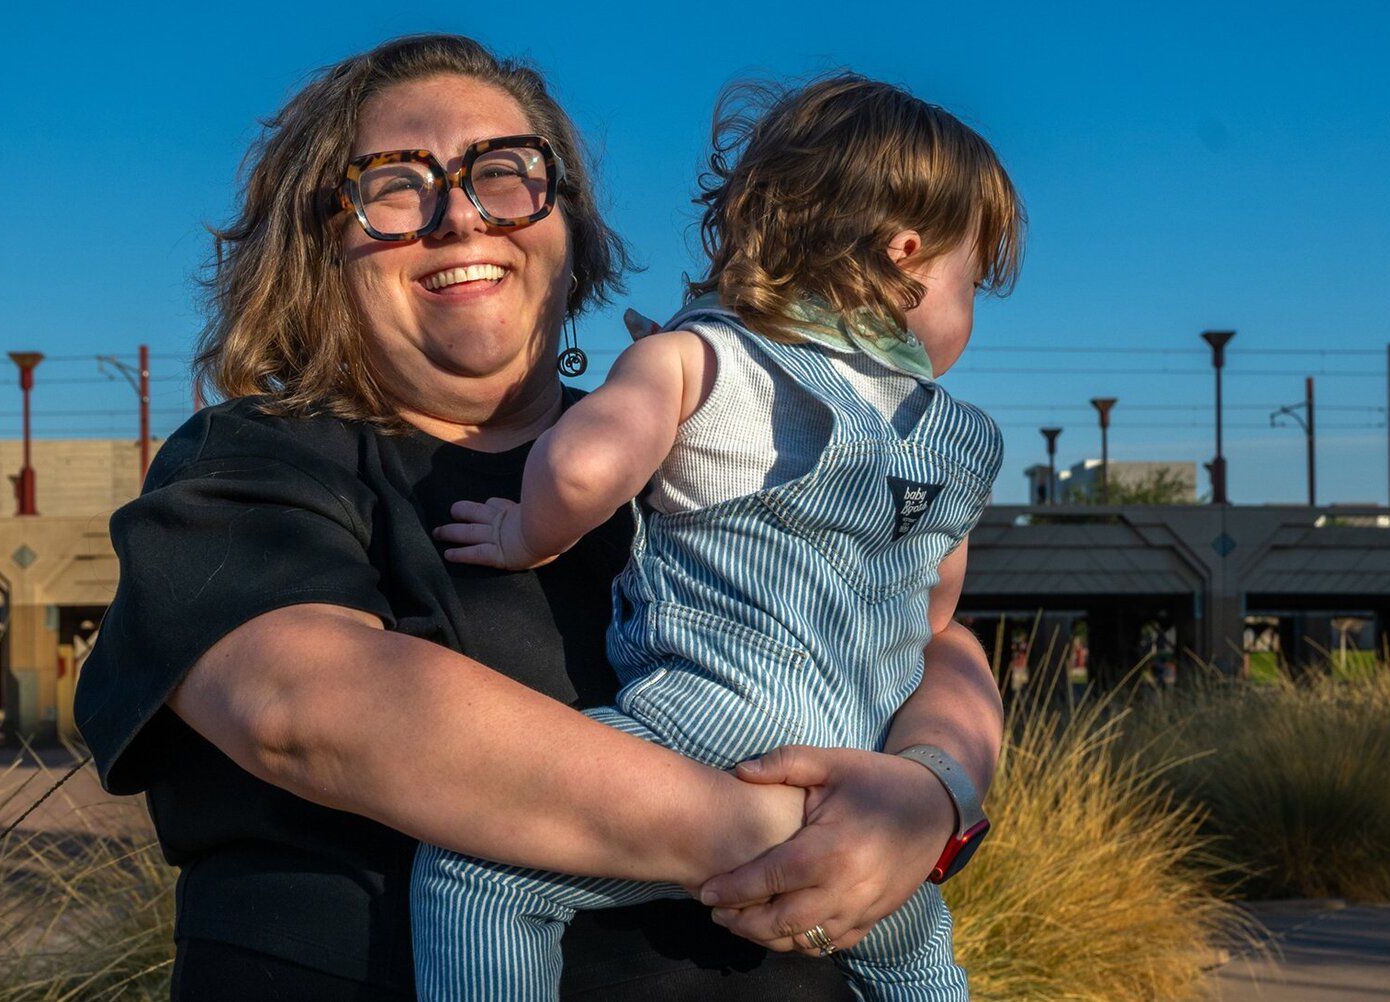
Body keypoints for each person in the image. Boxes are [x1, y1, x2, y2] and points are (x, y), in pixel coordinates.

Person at [73, 34, 1006, 1001]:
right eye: (396, 185)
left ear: (568, 227)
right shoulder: (253, 462)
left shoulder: (676, 437)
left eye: (505, 175)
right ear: (315, 247)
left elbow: (932, 637)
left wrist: (932, 794)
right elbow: (305, 709)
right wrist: (789, 839)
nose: (460, 218)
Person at [411, 75, 1021, 1001]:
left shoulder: (702, 357)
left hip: (712, 738)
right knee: (915, 957)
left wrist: (525, 532)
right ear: (907, 257)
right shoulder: (963, 440)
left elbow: (579, 473)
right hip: (863, 782)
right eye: (968, 281)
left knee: (476, 873)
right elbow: (935, 613)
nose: (967, 313)